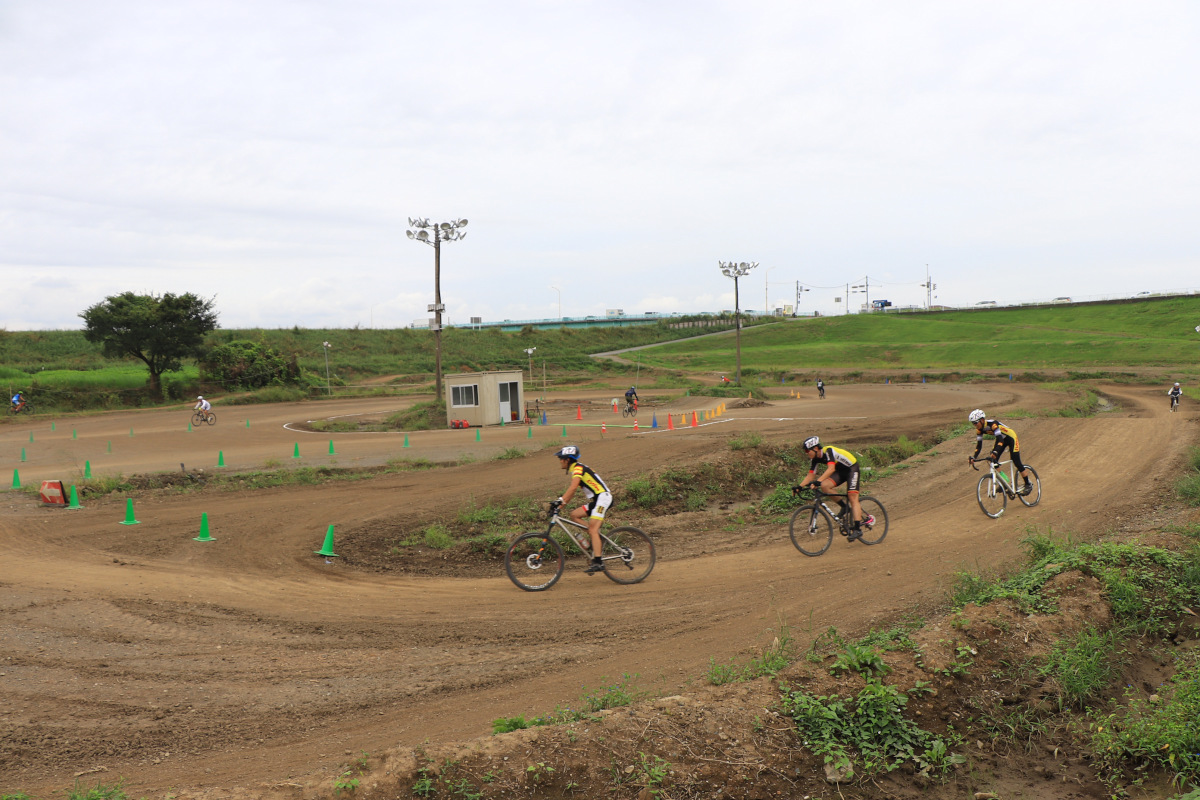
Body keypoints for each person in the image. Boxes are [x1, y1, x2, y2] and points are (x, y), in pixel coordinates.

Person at [552, 445, 612, 575]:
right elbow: (572, 491)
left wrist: (560, 502)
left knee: (593, 529)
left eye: (561, 458)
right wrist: (560, 507)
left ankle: (598, 561)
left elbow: (573, 488)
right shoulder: (577, 468)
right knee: (574, 515)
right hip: (597, 500)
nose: (559, 461)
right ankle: (594, 537)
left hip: (603, 498)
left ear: (567, 460)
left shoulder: (578, 469)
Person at [794, 435, 865, 540]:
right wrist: (799, 486)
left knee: (852, 497)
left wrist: (818, 481)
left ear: (816, 448)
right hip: (840, 471)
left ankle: (858, 529)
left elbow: (831, 469)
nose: (806, 453)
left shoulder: (829, 451)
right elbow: (810, 475)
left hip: (851, 469)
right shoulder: (815, 459)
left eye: (807, 450)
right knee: (825, 486)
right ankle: (844, 507)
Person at [967, 409, 1033, 495]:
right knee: (992, 460)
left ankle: (1028, 484)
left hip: (1010, 437)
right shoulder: (979, 430)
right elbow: (979, 446)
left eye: (975, 423)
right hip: (1002, 440)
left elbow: (1000, 438)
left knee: (1016, 460)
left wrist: (995, 452)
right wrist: (974, 457)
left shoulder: (993, 424)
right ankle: (1004, 481)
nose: (975, 425)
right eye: (973, 423)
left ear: (982, 420)